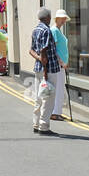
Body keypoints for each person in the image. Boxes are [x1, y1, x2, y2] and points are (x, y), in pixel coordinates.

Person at [29, 7, 61, 136]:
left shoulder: (35, 30)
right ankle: (44, 126)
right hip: (49, 69)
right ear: (47, 18)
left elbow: (31, 50)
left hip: (38, 68)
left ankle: (36, 124)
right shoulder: (46, 30)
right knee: (48, 98)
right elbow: (44, 49)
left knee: (39, 97)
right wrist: (45, 69)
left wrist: (39, 59)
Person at [50, 10, 70, 121]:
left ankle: (57, 112)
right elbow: (54, 49)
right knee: (59, 89)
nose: (63, 21)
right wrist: (61, 62)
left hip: (61, 65)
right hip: (58, 65)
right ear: (56, 19)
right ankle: (55, 113)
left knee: (60, 89)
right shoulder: (54, 31)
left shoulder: (58, 30)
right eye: (62, 18)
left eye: (64, 19)